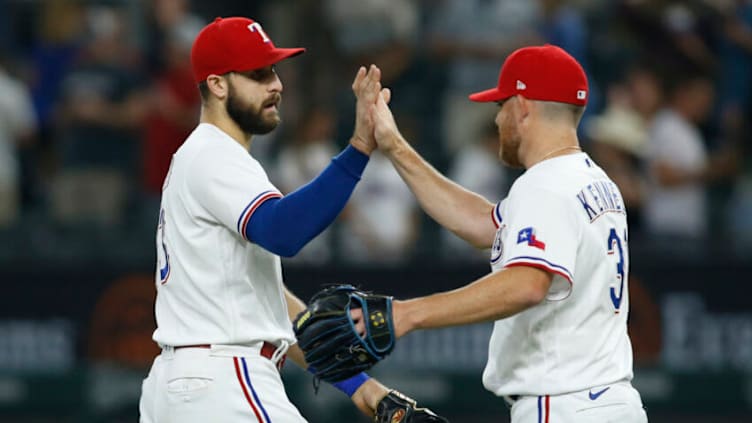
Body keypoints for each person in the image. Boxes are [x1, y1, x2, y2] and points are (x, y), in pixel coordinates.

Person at [138, 16, 415, 422]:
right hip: (223, 379)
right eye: (258, 74)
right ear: (217, 84)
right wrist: (358, 148)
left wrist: (360, 387)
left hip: (188, 385)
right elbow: (284, 231)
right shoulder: (215, 154)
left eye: (274, 70)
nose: (276, 84)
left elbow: (272, 307)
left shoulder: (204, 159)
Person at [368, 45, 648, 422]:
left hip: (562, 403)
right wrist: (394, 145)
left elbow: (526, 285)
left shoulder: (545, 186)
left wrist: (408, 313)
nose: (498, 119)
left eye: (500, 106)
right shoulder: (594, 180)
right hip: (611, 402)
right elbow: (483, 224)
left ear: (522, 106)